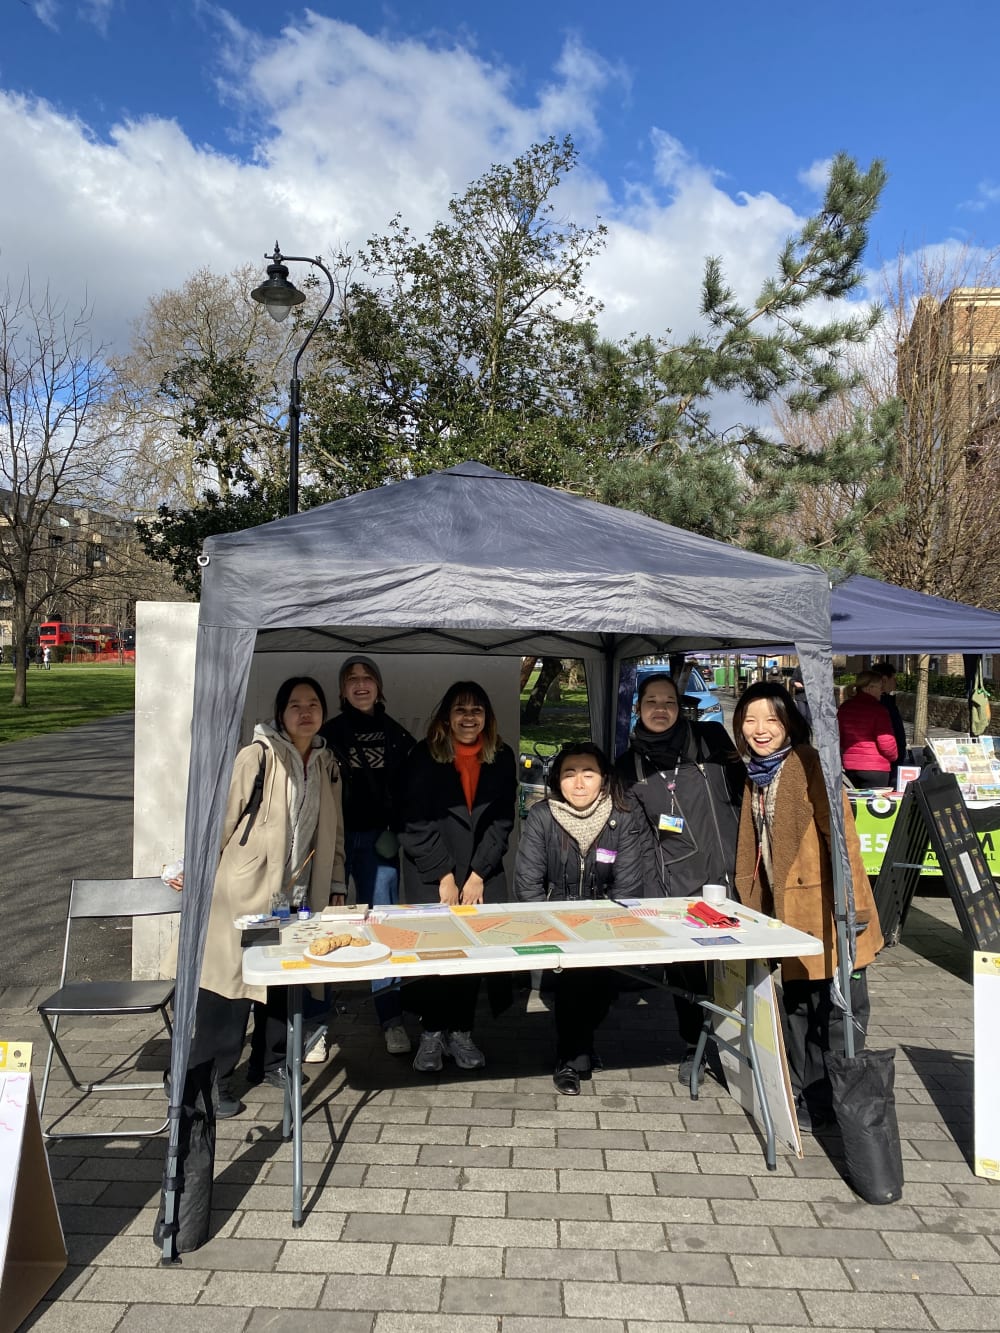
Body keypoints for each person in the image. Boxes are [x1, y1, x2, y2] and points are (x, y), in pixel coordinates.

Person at [732, 681, 884, 1131]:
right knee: (797, 1005)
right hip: (788, 912)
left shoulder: (810, 763)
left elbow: (845, 844)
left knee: (836, 1011)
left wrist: (852, 912)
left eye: (771, 720)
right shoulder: (756, 772)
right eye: (750, 719)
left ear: (789, 723)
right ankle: (802, 1092)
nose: (760, 730)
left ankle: (838, 1099)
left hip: (826, 908)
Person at [191, 676, 346, 1115]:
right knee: (232, 987)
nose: (305, 712)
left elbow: (333, 833)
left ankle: (272, 1061)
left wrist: (336, 883)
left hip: (297, 894)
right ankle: (208, 1079)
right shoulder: (256, 756)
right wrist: (197, 872)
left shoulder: (325, 761)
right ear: (281, 712)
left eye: (313, 704)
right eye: (295, 704)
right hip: (248, 891)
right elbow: (219, 820)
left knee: (284, 980)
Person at [614, 671, 745, 1082]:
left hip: (737, 877)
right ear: (637, 708)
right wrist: (647, 899)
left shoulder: (712, 741)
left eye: (668, 701)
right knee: (689, 975)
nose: (660, 709)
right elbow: (634, 839)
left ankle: (742, 1049)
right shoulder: (629, 764)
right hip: (680, 888)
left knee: (740, 970)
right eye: (651, 701)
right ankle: (696, 1046)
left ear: (679, 706)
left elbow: (747, 795)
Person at [514, 742, 645, 1095]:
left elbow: (629, 885)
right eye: (570, 774)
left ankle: (581, 1047)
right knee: (575, 987)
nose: (579, 783)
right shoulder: (543, 815)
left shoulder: (623, 817)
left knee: (600, 991)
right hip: (556, 922)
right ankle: (571, 1059)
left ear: (603, 779)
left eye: (589, 773)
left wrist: (603, 928)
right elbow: (527, 882)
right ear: (558, 779)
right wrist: (552, 928)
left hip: (605, 924)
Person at [399, 680, 517, 1074]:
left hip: (481, 872)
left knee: (472, 956)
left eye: (477, 710)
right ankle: (431, 1033)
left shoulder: (501, 756)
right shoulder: (423, 756)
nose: (469, 718)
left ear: (488, 717)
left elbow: (502, 821)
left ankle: (462, 1031)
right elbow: (414, 821)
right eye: (461, 710)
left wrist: (479, 873)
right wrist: (444, 875)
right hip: (433, 872)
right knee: (434, 955)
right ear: (446, 717)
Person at [320, 656, 414, 1056]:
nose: (360, 685)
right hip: (332, 842)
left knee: (383, 926)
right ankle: (314, 1024)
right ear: (341, 690)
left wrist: (397, 831)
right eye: (352, 680)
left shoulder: (397, 736)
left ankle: (391, 1019)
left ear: (378, 686)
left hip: (380, 842)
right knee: (324, 927)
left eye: (367, 679)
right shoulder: (327, 734)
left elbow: (413, 789)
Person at [837, 669, 898, 788]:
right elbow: (886, 743)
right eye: (879, 687)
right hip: (876, 768)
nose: (882, 691)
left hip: (851, 766)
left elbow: (839, 737)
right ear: (869, 688)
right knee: (874, 805)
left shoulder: (845, 707)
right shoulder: (879, 710)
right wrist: (894, 756)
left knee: (854, 804)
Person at [870, 661, 907, 784]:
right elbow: (887, 736)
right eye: (894, 678)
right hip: (883, 763)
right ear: (885, 680)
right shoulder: (883, 705)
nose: (896, 682)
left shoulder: (884, 702)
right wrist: (895, 757)